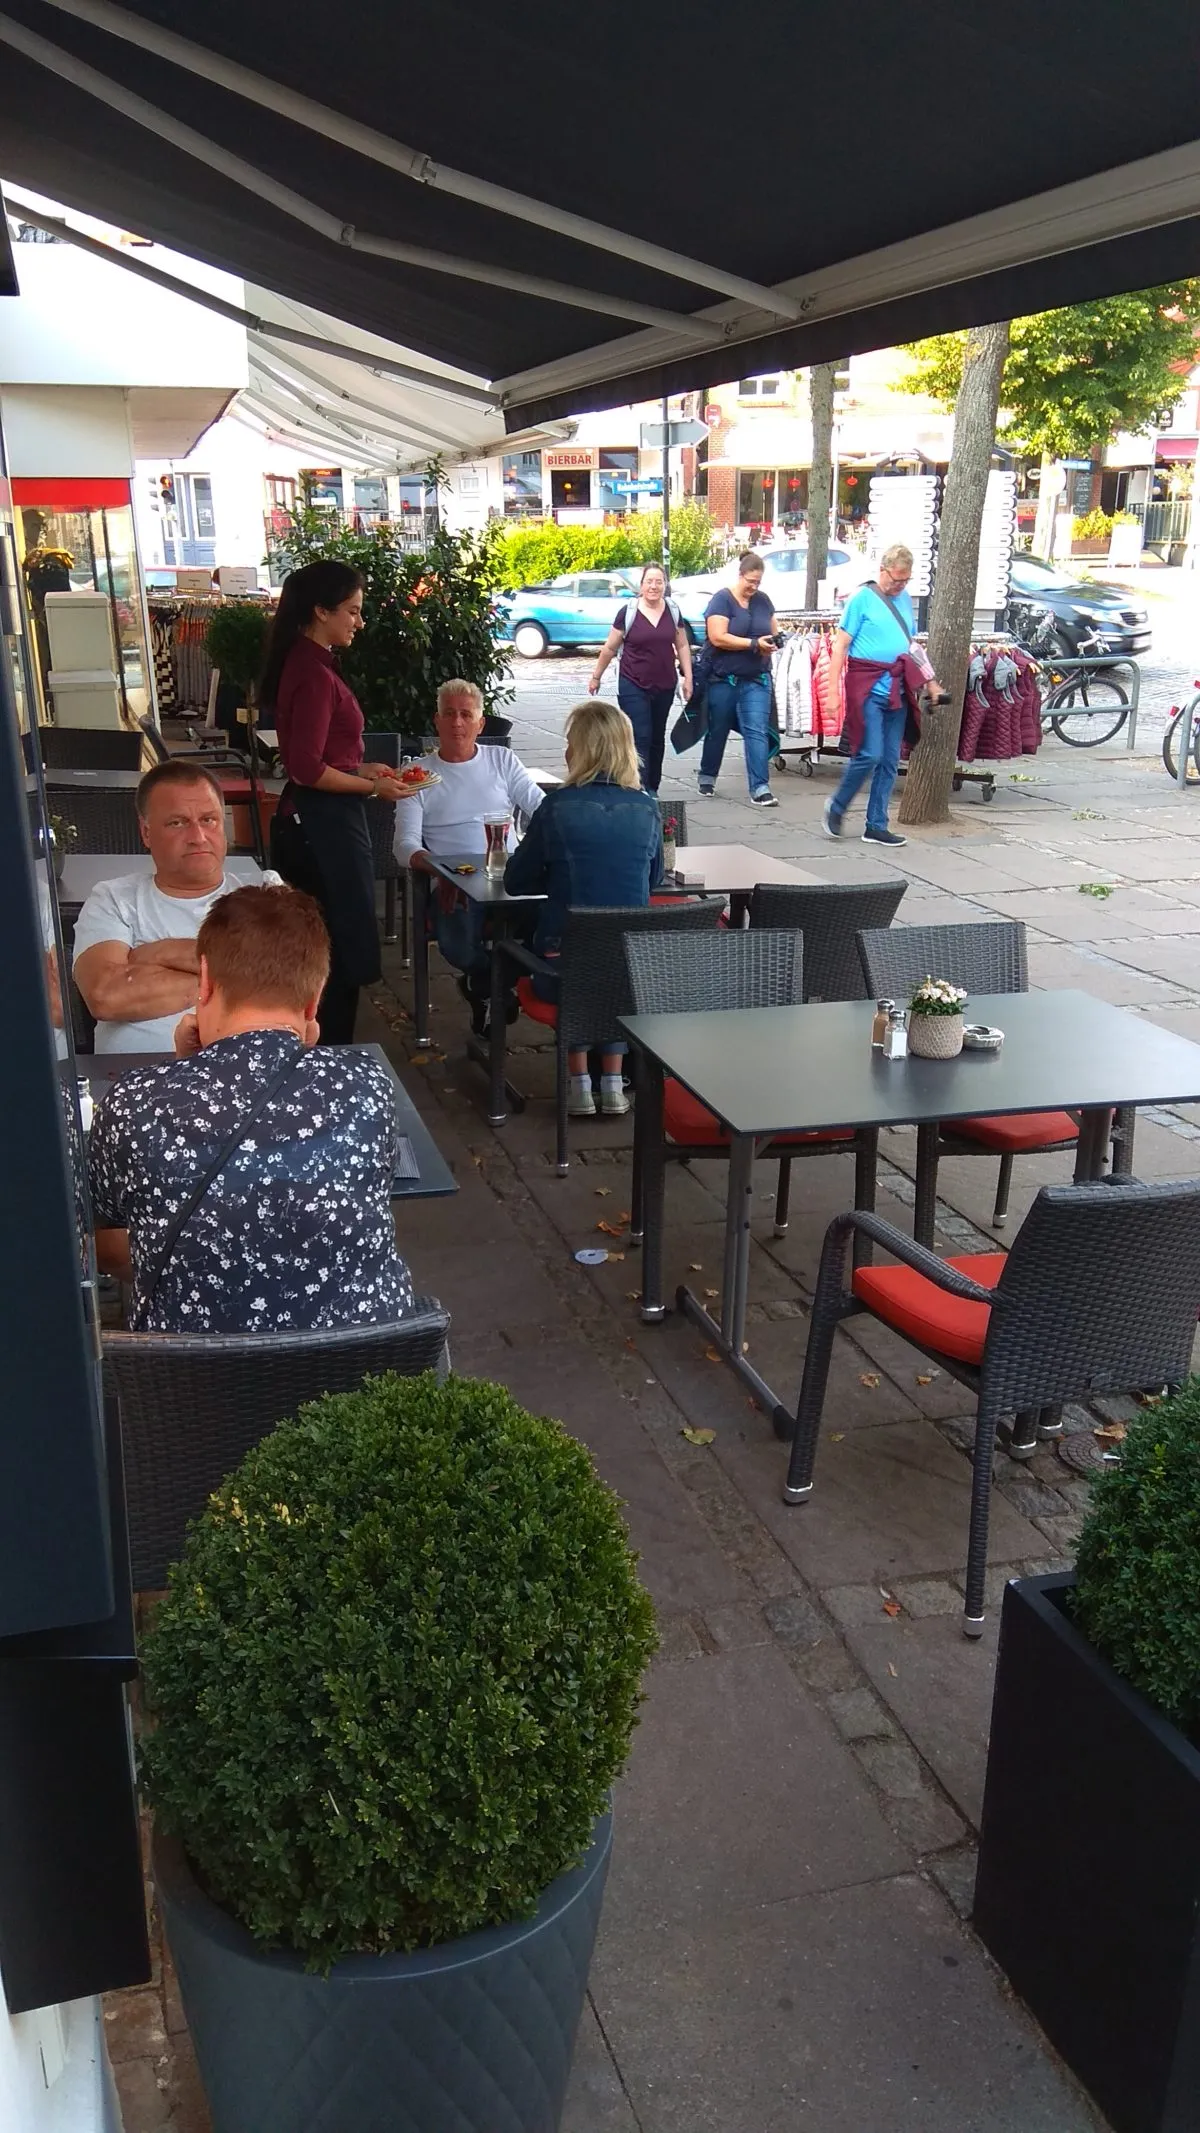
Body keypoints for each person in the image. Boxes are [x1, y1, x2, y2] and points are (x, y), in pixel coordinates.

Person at [88, 884, 415, 1334]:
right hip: (367, 1366)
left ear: (204, 981)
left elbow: (101, 1238)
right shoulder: (368, 1084)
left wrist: (184, 1071)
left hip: (190, 1372)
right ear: (315, 997)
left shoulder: (134, 1103)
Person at [262, 560, 413, 1045]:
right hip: (321, 827)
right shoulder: (312, 672)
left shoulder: (310, 662)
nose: (359, 622)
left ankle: (323, 1051)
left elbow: (318, 757)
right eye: (352, 611)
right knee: (336, 953)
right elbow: (306, 768)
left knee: (334, 948)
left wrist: (360, 769)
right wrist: (373, 788)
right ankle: (327, 1057)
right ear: (321, 610)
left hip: (320, 819)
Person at [504, 700, 661, 1118]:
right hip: (633, 977)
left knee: (570, 952)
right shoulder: (647, 807)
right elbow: (653, 880)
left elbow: (516, 881)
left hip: (562, 975)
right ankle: (612, 1083)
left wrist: (556, 878)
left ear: (580, 750)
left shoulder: (556, 807)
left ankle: (579, 1085)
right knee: (611, 958)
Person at [73, 761, 258, 1054]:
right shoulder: (114, 899)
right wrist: (234, 977)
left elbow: (292, 982)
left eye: (209, 819)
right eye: (177, 823)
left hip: (249, 1070)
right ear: (146, 833)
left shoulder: (264, 893)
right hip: (134, 1073)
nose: (198, 837)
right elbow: (105, 996)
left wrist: (157, 953)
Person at [393, 679, 546, 1032]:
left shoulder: (502, 760)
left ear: (480, 723)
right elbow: (404, 846)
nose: (457, 723)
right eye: (449, 714)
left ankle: (488, 984)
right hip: (455, 880)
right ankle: (490, 980)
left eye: (466, 714)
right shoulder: (417, 775)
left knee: (553, 924)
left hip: (510, 877)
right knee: (456, 943)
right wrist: (439, 871)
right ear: (437, 721)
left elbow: (541, 810)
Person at [822, 543, 942, 848]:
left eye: (905, 580)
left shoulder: (905, 600)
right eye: (896, 579)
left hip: (897, 691)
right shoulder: (861, 599)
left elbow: (911, 646)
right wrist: (833, 692)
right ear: (883, 571)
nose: (900, 585)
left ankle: (876, 825)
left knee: (890, 760)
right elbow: (840, 645)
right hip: (868, 688)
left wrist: (931, 682)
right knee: (869, 754)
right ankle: (837, 806)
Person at [586, 564, 693, 792]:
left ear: (665, 585)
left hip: (664, 684)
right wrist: (596, 677)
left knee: (656, 738)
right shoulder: (628, 612)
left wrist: (688, 678)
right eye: (649, 581)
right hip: (632, 683)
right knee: (640, 735)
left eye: (659, 582)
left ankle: (652, 787)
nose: (654, 586)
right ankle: (638, 787)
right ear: (641, 585)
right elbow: (609, 648)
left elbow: (682, 645)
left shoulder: (673, 611)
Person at [698, 552, 779, 807]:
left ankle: (760, 787)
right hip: (724, 678)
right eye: (750, 581)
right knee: (718, 728)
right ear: (740, 575)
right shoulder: (722, 600)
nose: (754, 587)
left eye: (758, 582)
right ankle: (708, 775)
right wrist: (753, 644)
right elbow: (717, 637)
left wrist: (773, 643)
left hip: (756, 678)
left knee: (756, 730)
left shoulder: (763, 600)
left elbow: (773, 630)